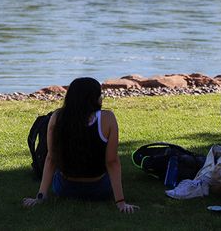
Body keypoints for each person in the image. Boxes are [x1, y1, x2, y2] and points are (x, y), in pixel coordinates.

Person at [22, 77, 138, 213]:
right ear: (94, 98)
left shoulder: (57, 117)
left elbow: (51, 158)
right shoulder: (107, 118)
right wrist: (120, 202)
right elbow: (112, 162)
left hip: (64, 188)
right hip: (100, 189)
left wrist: (40, 197)